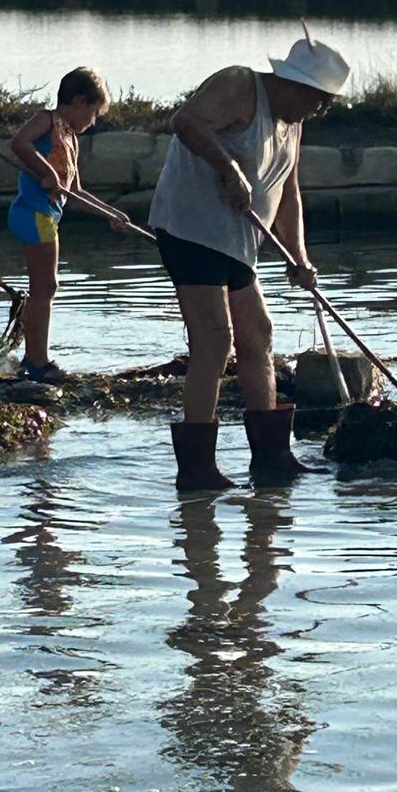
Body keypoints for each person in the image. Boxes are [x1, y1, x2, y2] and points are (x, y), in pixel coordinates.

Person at [149, 33, 351, 489]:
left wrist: (298, 256)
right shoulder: (239, 85)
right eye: (318, 101)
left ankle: (272, 456)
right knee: (215, 340)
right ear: (295, 85)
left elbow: (288, 192)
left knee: (258, 335)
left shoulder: (293, 124)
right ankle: (197, 470)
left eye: (325, 104)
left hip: (238, 239)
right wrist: (228, 167)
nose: (319, 111)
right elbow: (186, 123)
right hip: (191, 227)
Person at [9, 67, 128, 382]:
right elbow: (19, 142)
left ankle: (31, 358)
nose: (93, 122)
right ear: (78, 101)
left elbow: (74, 192)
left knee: (45, 287)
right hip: (33, 213)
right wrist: (45, 170)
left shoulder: (69, 139)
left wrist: (111, 214)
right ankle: (38, 362)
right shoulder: (46, 121)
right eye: (93, 113)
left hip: (47, 216)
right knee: (45, 287)